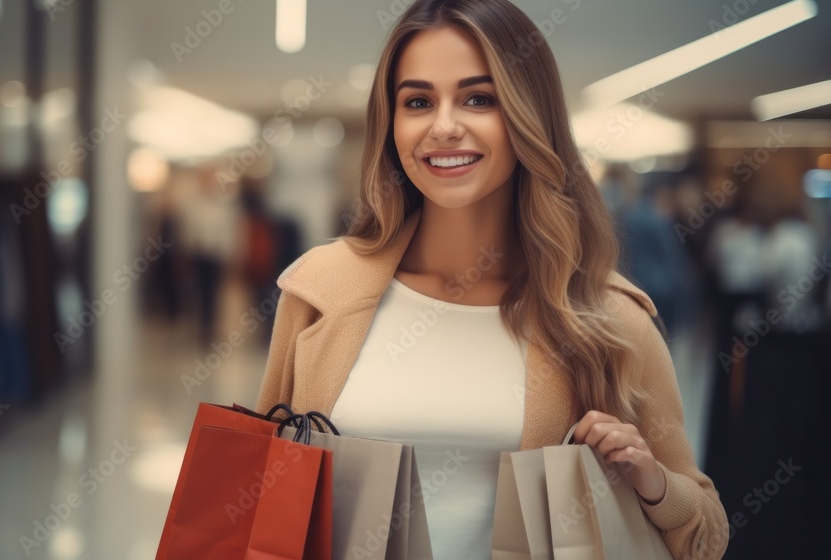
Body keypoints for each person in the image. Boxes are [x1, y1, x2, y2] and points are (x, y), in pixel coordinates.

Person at [254, 1, 728, 558]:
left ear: (530, 116)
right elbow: (264, 492)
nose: (444, 126)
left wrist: (652, 483)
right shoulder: (320, 290)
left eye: (479, 98)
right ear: (391, 123)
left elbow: (706, 535)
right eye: (418, 101)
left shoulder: (608, 318)